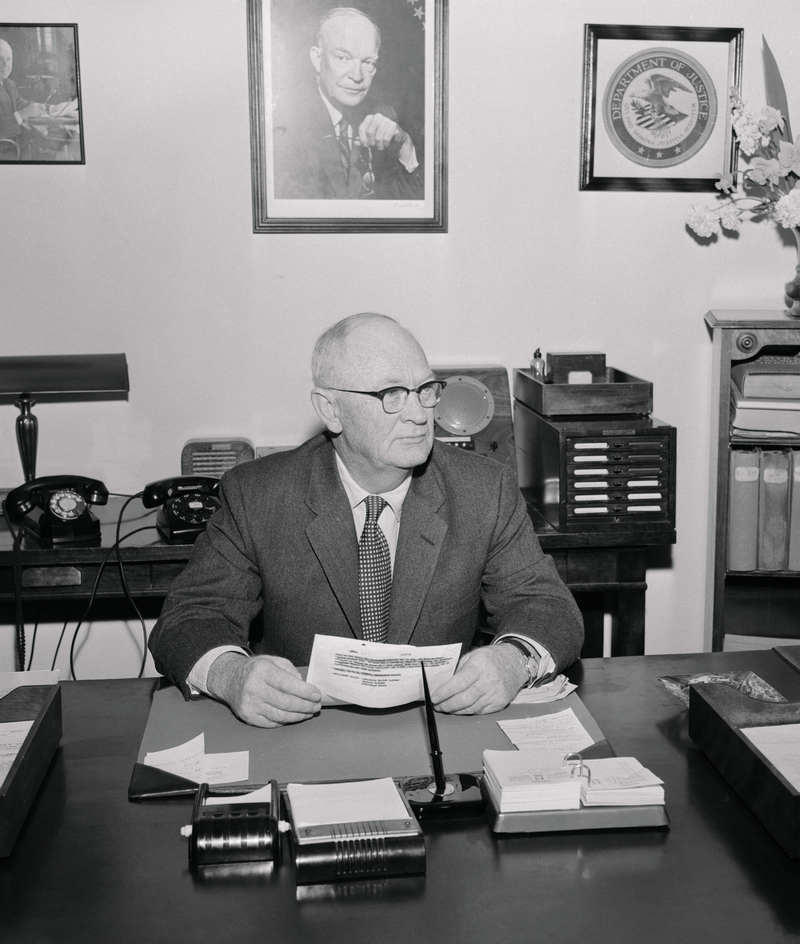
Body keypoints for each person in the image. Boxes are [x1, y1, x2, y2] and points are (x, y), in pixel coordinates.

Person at [149, 313, 584, 727]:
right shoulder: (257, 495)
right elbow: (189, 619)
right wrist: (231, 675)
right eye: (390, 395)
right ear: (330, 409)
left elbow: (549, 608)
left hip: (441, 729)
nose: (419, 414)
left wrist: (512, 661)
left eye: (426, 390)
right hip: (305, 731)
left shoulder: (484, 489)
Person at [272, 7, 424, 199]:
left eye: (368, 62)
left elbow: (414, 209)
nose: (357, 76)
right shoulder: (284, 123)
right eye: (343, 58)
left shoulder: (385, 116)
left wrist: (405, 146)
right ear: (317, 59)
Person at [0, 39, 46, 160]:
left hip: (18, 145)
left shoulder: (9, 83)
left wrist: (47, 107)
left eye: (8, 59)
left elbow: (21, 103)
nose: (5, 64)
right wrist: (22, 114)